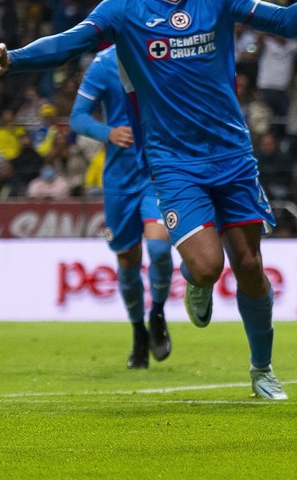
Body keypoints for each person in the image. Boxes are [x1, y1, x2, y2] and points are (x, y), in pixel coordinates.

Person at [0, 0, 297, 400]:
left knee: (249, 265)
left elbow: (286, 24)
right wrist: (13, 59)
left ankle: (262, 370)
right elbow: (69, 43)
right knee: (209, 265)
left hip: (233, 155)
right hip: (173, 163)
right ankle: (196, 279)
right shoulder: (123, 9)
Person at [70, 46, 175, 369]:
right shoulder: (103, 65)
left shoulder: (163, 51)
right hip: (120, 180)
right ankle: (138, 333)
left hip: (157, 171)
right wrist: (108, 132)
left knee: (158, 248)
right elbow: (77, 117)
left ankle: (157, 313)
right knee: (128, 260)